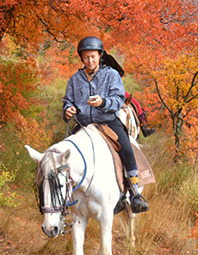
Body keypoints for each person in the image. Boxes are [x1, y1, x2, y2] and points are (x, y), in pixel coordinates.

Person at [62, 36, 149, 213]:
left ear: (100, 55)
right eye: (86, 57)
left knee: (126, 148)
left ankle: (134, 192)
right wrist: (68, 109)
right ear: (81, 58)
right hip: (83, 123)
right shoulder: (75, 79)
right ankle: (63, 196)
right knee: (64, 153)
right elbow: (67, 100)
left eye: (93, 56)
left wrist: (102, 102)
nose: (90, 60)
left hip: (108, 121)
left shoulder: (111, 75)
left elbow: (118, 99)